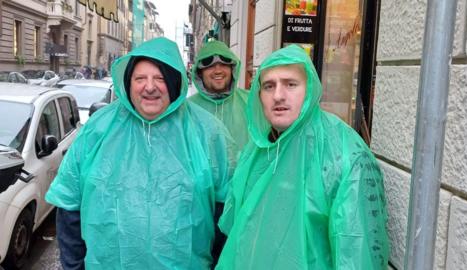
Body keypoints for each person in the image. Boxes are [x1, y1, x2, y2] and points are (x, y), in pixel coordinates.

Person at [46, 37, 236, 270]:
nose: (149, 87)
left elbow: (225, 212)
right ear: (128, 83)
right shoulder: (98, 129)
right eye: (140, 78)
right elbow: (68, 205)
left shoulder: (208, 132)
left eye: (160, 78)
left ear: (175, 81)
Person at [215, 45, 389, 269]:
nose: (278, 95)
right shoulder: (257, 149)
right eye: (269, 86)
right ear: (259, 95)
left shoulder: (343, 153)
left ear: (309, 90)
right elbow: (238, 231)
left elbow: (356, 249)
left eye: (290, 84)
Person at [189, 40, 249, 153]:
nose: (218, 71)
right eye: (210, 66)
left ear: (232, 69)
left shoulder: (251, 102)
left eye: (223, 64)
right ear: (200, 72)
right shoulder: (187, 109)